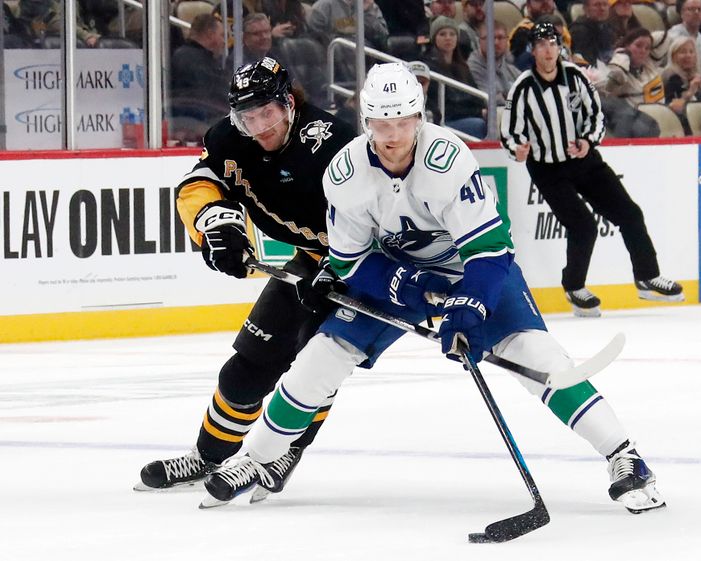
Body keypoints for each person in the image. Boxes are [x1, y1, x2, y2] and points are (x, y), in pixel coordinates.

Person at [202, 62, 666, 517]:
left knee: (537, 358)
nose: (392, 136)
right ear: (366, 123)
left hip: (470, 270)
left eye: (402, 122)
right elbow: (348, 260)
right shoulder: (345, 173)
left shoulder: (448, 159)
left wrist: (470, 308)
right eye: (381, 124)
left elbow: (489, 250)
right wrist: (401, 284)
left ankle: (625, 457)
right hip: (395, 273)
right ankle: (257, 458)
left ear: (419, 118)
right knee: (322, 354)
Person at [135, 57, 356, 493]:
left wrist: (341, 266)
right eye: (247, 116)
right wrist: (216, 223)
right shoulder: (228, 139)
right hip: (312, 258)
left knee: (315, 367)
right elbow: (199, 183)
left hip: (360, 263)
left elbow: (375, 214)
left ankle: (283, 451)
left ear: (289, 104)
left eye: (267, 113)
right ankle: (207, 457)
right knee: (245, 369)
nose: (259, 127)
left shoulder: (334, 143)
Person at [501, 23, 683, 317]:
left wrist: (588, 140)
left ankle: (647, 277)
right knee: (583, 225)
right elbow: (509, 131)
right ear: (533, 50)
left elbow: (595, 115)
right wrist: (517, 148)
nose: (548, 49)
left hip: (584, 159)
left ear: (560, 47)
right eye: (541, 44)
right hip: (548, 169)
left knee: (630, 213)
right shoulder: (522, 87)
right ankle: (574, 286)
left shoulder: (575, 76)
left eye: (552, 43)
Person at [423, 16, 488, 138]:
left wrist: (483, 110)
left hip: (469, 116)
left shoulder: (462, 66)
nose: (448, 38)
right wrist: (479, 112)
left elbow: (477, 98)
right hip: (447, 121)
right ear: (434, 38)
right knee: (479, 124)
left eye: (452, 34)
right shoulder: (431, 68)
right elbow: (446, 108)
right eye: (442, 34)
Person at [170, 13, 230, 126]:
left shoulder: (194, 56)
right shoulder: (191, 60)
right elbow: (210, 99)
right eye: (222, 35)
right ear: (210, 34)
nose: (224, 42)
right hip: (196, 124)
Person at [661, 36, 701, 133]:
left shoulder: (696, 76)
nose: (688, 55)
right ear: (673, 56)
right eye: (683, 52)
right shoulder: (671, 78)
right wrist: (690, 92)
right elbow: (671, 107)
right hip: (679, 128)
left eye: (691, 52)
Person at [603, 28, 665, 108]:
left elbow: (665, 36)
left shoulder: (650, 64)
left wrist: (646, 35)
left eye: (647, 48)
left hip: (659, 114)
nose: (643, 51)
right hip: (630, 117)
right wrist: (623, 53)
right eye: (638, 46)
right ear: (627, 46)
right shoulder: (619, 65)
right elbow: (614, 77)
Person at [467, 20, 521, 107]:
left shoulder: (510, 68)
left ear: (507, 40)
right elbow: (488, 100)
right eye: (490, 38)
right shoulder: (473, 67)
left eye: (500, 38)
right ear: (480, 41)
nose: (496, 42)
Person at [569, 0, 616, 66]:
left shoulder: (608, 27)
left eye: (605, 5)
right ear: (586, 9)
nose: (602, 8)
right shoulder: (579, 31)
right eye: (596, 5)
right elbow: (585, 61)